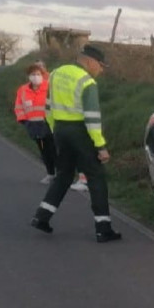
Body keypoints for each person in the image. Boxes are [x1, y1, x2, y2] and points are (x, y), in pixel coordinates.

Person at [29, 44, 122, 243]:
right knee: (96, 177)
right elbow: (92, 117)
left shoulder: (55, 74)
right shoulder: (87, 82)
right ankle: (103, 229)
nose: (102, 70)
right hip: (81, 132)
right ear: (89, 61)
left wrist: (56, 131)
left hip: (61, 130)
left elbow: (48, 107)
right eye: (100, 65)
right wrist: (100, 146)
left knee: (63, 176)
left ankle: (41, 217)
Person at [15, 62, 56, 183]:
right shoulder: (23, 90)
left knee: (54, 150)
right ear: (29, 76)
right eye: (33, 74)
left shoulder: (49, 87)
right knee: (43, 151)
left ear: (42, 75)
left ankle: (61, 175)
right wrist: (23, 120)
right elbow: (18, 106)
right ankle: (50, 174)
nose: (36, 76)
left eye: (38, 74)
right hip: (34, 126)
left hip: (49, 124)